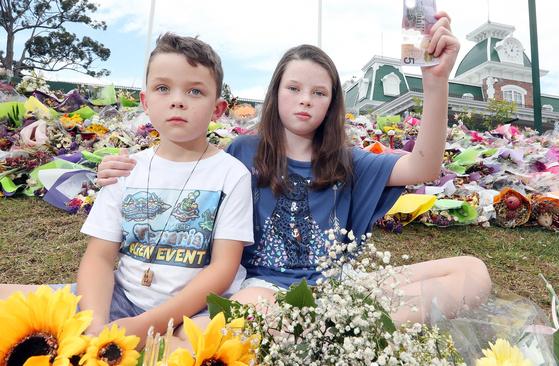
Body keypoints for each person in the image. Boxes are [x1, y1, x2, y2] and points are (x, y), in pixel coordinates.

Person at [98, 11, 491, 323]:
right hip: (262, 290)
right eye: (294, 88)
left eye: (319, 92)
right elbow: (184, 165)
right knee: (253, 316)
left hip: (340, 289)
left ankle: (332, 323)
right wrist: (124, 167)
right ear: (276, 94)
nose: (305, 100)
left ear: (332, 102)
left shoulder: (348, 161)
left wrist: (435, 82)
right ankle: (334, 329)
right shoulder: (242, 152)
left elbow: (423, 167)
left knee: (473, 272)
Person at [0, 33, 254, 342]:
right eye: (163, 88)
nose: (177, 99)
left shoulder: (231, 174)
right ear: (146, 102)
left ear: (217, 109)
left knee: (203, 341)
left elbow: (223, 269)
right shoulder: (125, 169)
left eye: (195, 91)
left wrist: (147, 324)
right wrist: (95, 325)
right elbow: (100, 258)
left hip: (195, 310)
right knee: (11, 303)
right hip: (122, 298)